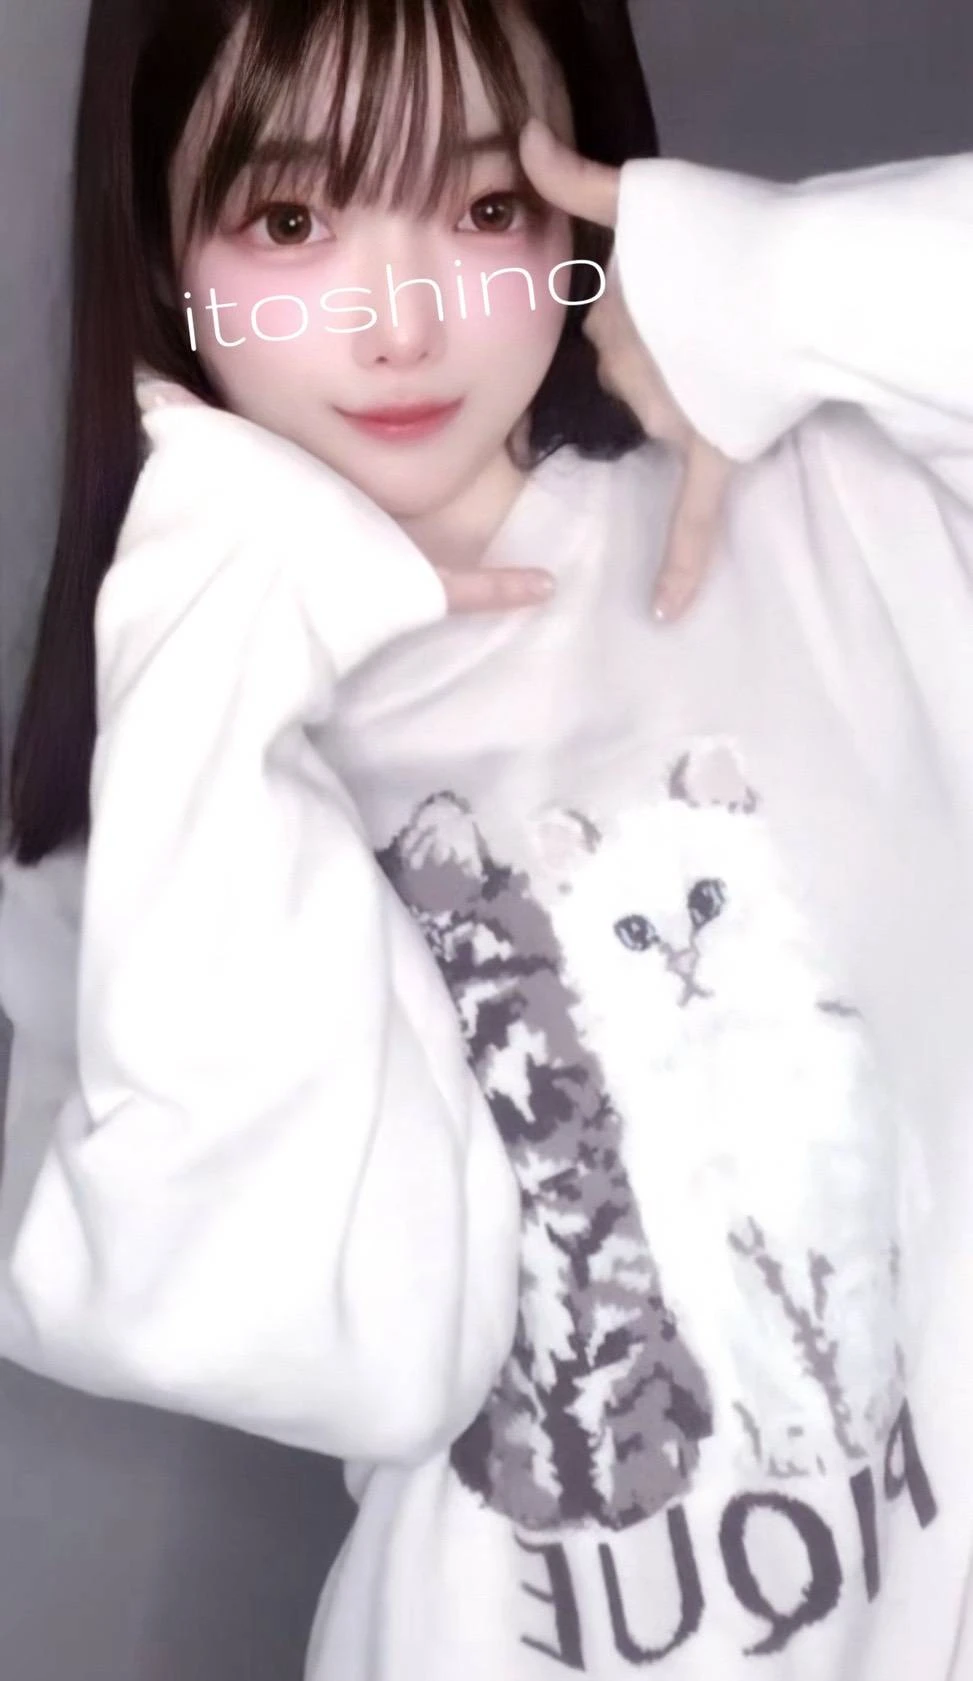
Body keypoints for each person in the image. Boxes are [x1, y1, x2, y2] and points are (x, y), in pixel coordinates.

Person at [0, 0, 971, 1677]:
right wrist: (219, 636)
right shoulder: (159, 796)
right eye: (290, 222)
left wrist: (759, 290)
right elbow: (348, 1354)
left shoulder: (855, 497)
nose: (402, 325)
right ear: (160, 249)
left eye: (483, 206)